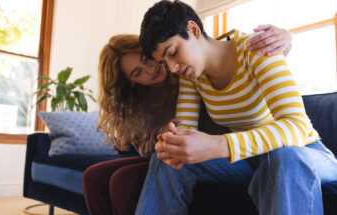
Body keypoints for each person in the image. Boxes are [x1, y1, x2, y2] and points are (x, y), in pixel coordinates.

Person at [135, 1, 337, 215]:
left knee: (284, 158)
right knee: (167, 157)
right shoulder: (191, 74)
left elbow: (297, 127)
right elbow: (186, 131)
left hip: (303, 154)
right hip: (250, 162)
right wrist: (175, 140)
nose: (173, 67)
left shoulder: (255, 49)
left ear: (193, 30)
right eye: (165, 62)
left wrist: (219, 144)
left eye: (173, 51)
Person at [82, 27, 293, 215]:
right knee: (93, 176)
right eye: (138, 72)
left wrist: (286, 37)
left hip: (214, 147)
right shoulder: (137, 101)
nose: (151, 70)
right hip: (169, 150)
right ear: (130, 81)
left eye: (148, 60)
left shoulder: (186, 65)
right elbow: (143, 145)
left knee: (122, 180)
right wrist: (161, 135)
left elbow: (220, 49)